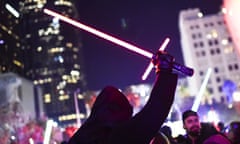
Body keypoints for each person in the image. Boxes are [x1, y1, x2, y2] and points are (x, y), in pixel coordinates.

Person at [67, 50, 179, 144]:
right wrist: (164, 71)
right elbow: (154, 111)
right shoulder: (119, 135)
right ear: (122, 111)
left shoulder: (81, 136)